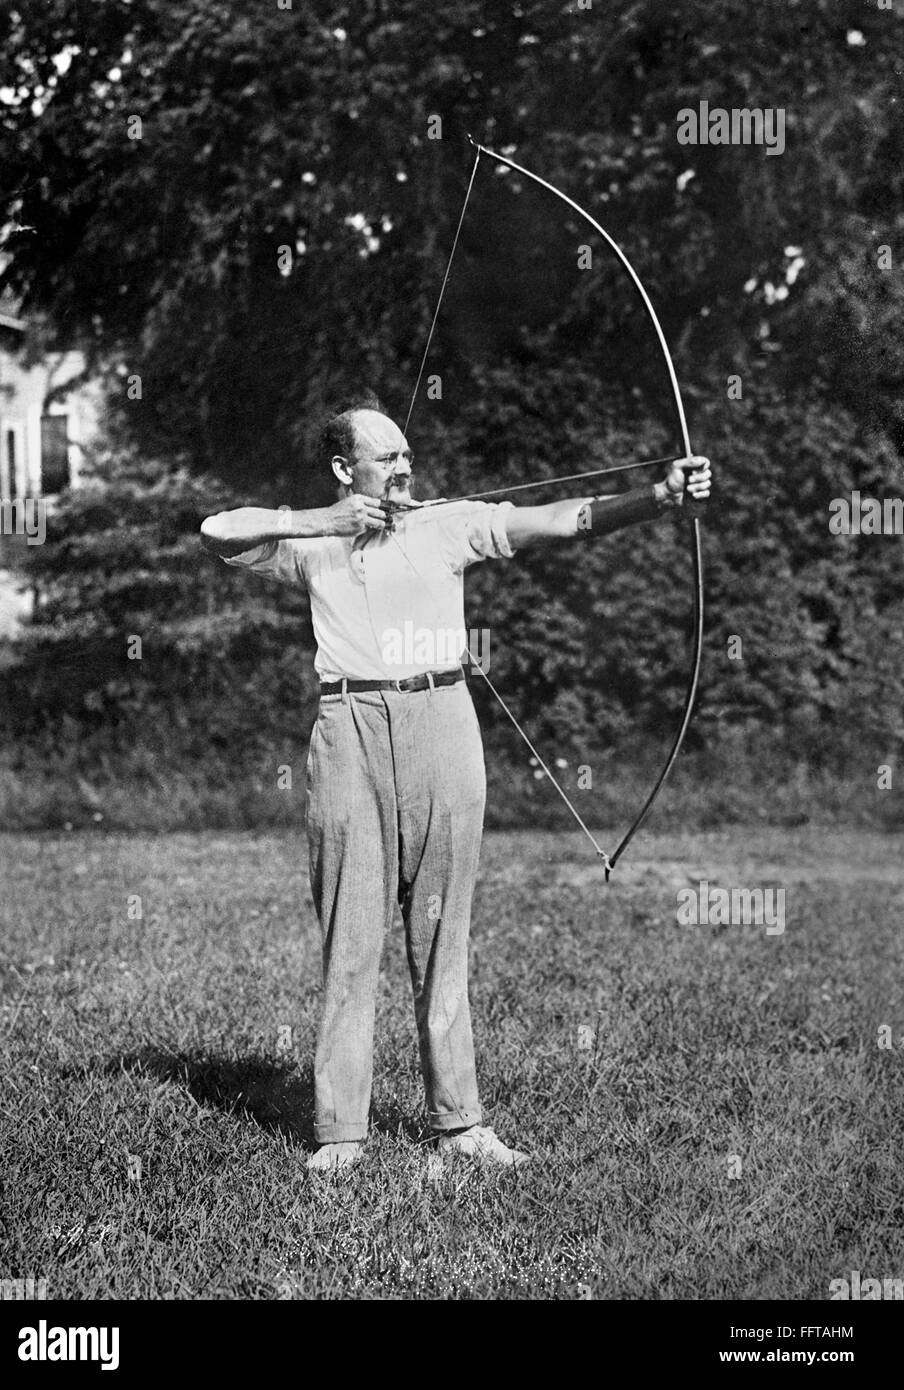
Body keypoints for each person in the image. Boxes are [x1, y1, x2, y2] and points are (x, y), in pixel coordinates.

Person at [201, 397, 712, 1172]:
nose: (405, 466)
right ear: (346, 469)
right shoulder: (309, 542)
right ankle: (341, 1134)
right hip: (348, 732)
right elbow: (217, 530)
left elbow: (560, 519)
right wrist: (322, 521)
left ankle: (461, 1123)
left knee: (443, 937)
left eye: (408, 452)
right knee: (351, 936)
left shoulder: (444, 522)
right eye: (386, 457)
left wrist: (659, 498)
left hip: (443, 723)